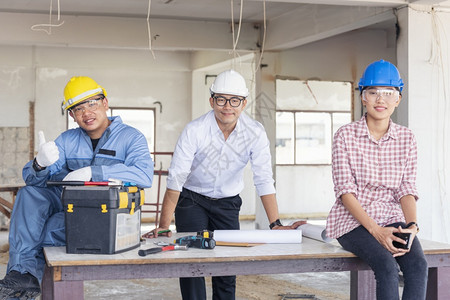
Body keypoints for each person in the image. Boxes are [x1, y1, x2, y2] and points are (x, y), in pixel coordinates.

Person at [143, 69, 297, 300]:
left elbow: (264, 178)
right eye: (221, 99)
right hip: (192, 200)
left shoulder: (254, 132)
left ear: (243, 103)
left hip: (228, 204)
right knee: (191, 261)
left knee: (227, 263)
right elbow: (176, 179)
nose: (228, 106)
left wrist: (275, 224)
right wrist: (165, 224)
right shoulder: (195, 130)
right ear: (212, 101)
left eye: (234, 100)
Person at [0, 76, 154, 299]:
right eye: (78, 108)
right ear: (71, 115)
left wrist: (96, 173)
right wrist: (39, 164)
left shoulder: (131, 138)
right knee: (29, 193)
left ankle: (24, 277)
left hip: (106, 216)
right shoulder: (67, 140)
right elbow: (36, 181)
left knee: (38, 230)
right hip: (68, 206)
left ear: (105, 103)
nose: (86, 113)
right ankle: (21, 275)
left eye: (92, 103)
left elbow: (143, 175)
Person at [325, 60, 428, 299]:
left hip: (392, 218)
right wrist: (376, 231)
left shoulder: (406, 138)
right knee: (387, 266)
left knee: (418, 266)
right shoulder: (345, 135)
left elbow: (406, 187)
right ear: (363, 97)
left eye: (388, 93)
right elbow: (345, 191)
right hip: (352, 221)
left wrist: (412, 225)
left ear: (398, 99)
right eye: (373, 92)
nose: (380, 100)